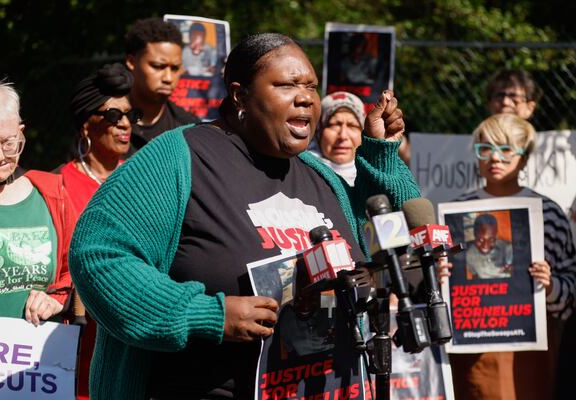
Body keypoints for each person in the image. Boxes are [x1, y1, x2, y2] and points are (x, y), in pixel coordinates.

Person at [69, 33, 420, 399]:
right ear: (240, 95)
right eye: (286, 85)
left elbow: (395, 233)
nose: (304, 97)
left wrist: (381, 154)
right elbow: (99, 255)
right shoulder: (179, 158)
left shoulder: (320, 176)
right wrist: (207, 315)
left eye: (311, 86)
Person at [438, 113, 576, 400]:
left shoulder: (547, 213)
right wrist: (442, 277)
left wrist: (549, 285)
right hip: (474, 347)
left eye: (506, 149)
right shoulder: (456, 212)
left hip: (531, 349)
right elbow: (441, 290)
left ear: (524, 158)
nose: (495, 158)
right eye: (485, 149)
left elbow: (571, 290)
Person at [57, 62, 138, 400]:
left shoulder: (143, 182)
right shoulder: (55, 187)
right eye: (112, 115)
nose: (124, 125)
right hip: (73, 345)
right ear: (86, 125)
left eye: (130, 116)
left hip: (130, 337)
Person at [0, 80, 76, 325]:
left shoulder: (52, 194)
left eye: (9, 143)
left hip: (38, 358)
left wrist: (58, 299)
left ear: (21, 132)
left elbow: (77, 268)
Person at [124, 17, 199, 150]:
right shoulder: (107, 119)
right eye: (158, 66)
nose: (168, 78)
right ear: (131, 62)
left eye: (175, 68)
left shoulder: (188, 128)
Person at [308, 91, 366, 186]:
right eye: (334, 125)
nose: (343, 136)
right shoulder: (300, 171)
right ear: (319, 131)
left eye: (352, 125)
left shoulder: (374, 179)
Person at [465, 213, 514, 279]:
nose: (485, 246)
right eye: (480, 240)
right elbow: (475, 276)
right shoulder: (469, 255)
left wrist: (513, 269)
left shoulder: (508, 248)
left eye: (491, 239)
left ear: (496, 235)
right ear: (474, 235)